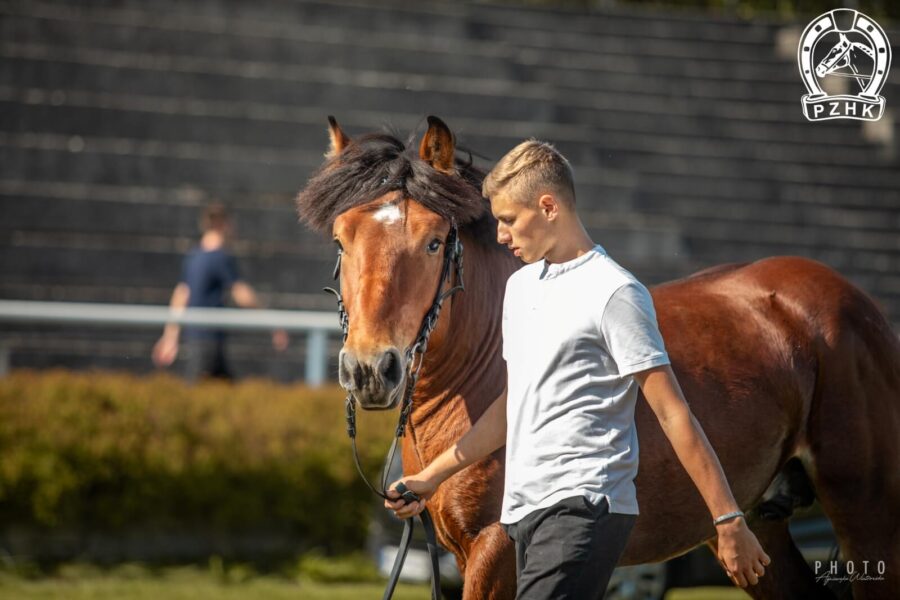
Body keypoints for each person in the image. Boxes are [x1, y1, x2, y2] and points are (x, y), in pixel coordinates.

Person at [385, 141, 771, 598]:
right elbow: (514, 407)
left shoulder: (615, 292)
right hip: (523, 512)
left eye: (508, 219)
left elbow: (673, 414)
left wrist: (727, 520)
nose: (502, 235)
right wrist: (432, 476)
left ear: (548, 207)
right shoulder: (521, 287)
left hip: (587, 506)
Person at [152, 203, 287, 381]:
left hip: (197, 339)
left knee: (221, 387)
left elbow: (181, 296)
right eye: (230, 224)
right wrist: (271, 322)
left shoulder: (193, 256)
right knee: (197, 391)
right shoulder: (221, 257)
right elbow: (241, 294)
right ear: (221, 224)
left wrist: (170, 337)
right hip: (209, 342)